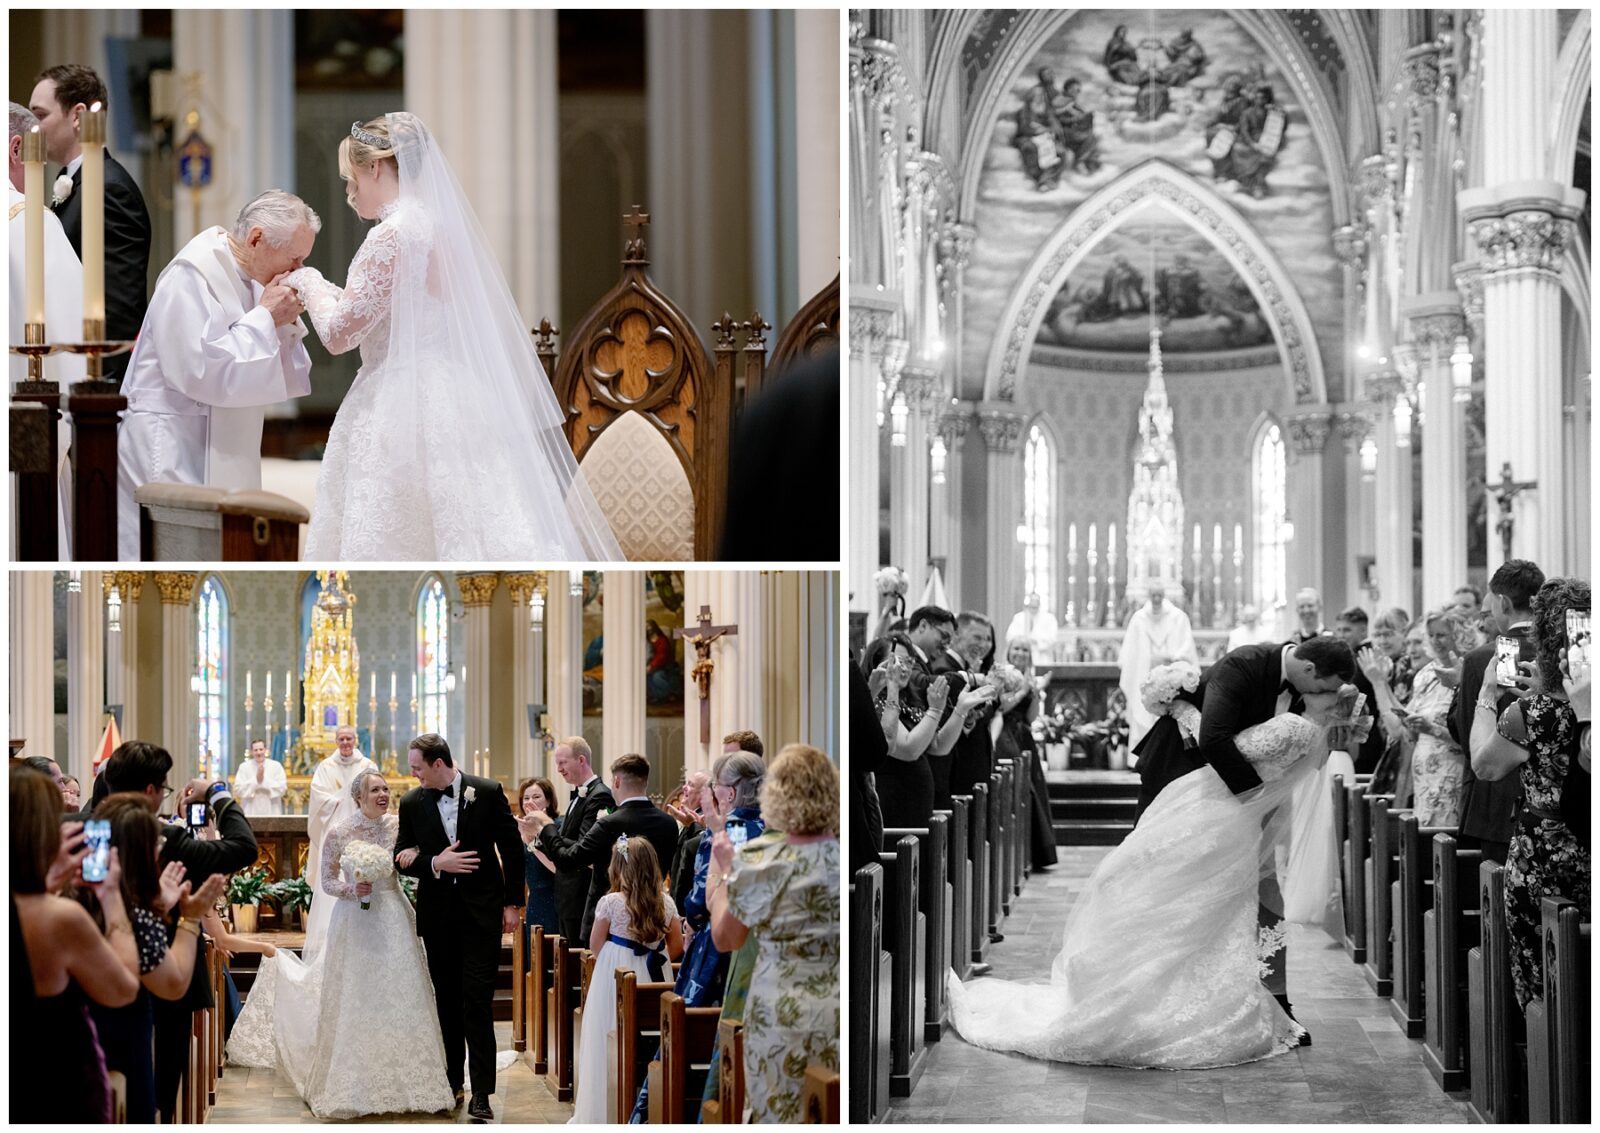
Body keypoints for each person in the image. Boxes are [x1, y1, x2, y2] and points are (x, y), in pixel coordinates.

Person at [950, 688, 1352, 1068]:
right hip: (1237, 815)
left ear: (1325, 688)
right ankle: (1205, 996)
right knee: (1208, 903)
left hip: (1224, 809)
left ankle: (1167, 998)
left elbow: (1226, 747)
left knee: (1178, 892)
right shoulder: (1317, 737)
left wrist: (1180, 707)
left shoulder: (1296, 727)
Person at [281, 112, 619, 560]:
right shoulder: (441, 229)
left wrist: (306, 281)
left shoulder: (390, 236)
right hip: (458, 396)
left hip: (397, 403)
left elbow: (340, 333)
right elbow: (391, 311)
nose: (349, 192)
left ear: (376, 167)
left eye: (352, 178)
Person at [229, 769, 456, 1118]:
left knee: (399, 990)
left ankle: (412, 1076)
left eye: (385, 789)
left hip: (393, 914)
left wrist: (414, 855)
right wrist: (353, 889)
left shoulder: (399, 826)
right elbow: (328, 882)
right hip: (354, 920)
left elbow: (414, 857)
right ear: (358, 798)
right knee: (357, 992)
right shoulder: (339, 833)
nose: (383, 794)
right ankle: (353, 1078)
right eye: (375, 790)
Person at [115, 190, 317, 560]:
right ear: (256, 238)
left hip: (219, 440)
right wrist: (267, 318)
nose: (299, 270)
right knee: (166, 557)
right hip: (173, 442)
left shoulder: (256, 279)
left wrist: (282, 324)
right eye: (294, 258)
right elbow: (197, 369)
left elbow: (284, 375)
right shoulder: (191, 274)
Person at [100, 738, 259, 1121]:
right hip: (162, 973)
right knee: (154, 1092)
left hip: (90, 977)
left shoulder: (76, 829)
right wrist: (219, 792)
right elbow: (243, 847)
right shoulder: (165, 840)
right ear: (153, 792)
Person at [1468, 577, 1590, 1009]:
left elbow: (1485, 765)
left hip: (1542, 857)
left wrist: (1488, 695)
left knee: (1543, 981)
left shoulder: (1530, 713)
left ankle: (1542, 1069)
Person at [706, 744, 840, 1122]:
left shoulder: (761, 859)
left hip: (778, 1010)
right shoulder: (842, 858)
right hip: (837, 1006)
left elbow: (726, 938)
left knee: (780, 1110)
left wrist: (726, 871)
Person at [393, 735, 522, 1121]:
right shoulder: (412, 802)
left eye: (417, 767)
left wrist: (513, 903)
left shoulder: (487, 791)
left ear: (438, 763)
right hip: (438, 918)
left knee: (477, 1002)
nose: (412, 773)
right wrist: (435, 863)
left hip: (483, 914)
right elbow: (401, 855)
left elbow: (512, 849)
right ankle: (452, 1081)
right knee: (447, 1002)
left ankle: (482, 1093)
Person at [10, 764, 141, 1123]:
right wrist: (111, 895)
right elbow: (122, 989)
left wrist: (46, 883)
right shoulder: (59, 918)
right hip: (53, 1085)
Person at [85, 793, 225, 1124]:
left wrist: (157, 905)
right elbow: (172, 982)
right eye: (154, 843)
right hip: (118, 1040)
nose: (160, 850)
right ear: (137, 852)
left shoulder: (82, 895)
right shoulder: (126, 911)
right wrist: (189, 918)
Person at [29, 64, 149, 383]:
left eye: (39, 115)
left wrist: (100, 388)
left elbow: (118, 307)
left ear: (78, 115)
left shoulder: (109, 189)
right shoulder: (74, 182)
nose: (32, 128)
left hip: (96, 381)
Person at [571, 837, 683, 1124]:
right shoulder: (667, 902)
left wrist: (616, 954)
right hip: (654, 975)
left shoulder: (610, 902)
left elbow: (595, 943)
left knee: (607, 1035)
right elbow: (677, 946)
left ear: (618, 868)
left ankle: (606, 1109)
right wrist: (653, 954)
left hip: (616, 975)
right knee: (648, 1039)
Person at [523, 753, 679, 940]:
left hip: (610, 921)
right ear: (645, 781)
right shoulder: (669, 824)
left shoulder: (609, 823)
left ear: (617, 782)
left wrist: (547, 825)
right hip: (653, 916)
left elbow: (569, 860)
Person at [1453, 560, 1544, 862]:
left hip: (1494, 804)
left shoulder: (1481, 659)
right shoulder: (1561, 653)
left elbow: (1466, 733)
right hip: (1555, 806)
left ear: (1503, 602)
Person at [303, 725, 377, 958]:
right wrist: (342, 798)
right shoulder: (325, 767)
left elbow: (377, 793)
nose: (345, 743)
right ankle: (330, 938)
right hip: (335, 832)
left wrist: (353, 799)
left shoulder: (367, 766)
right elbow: (318, 797)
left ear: (355, 740)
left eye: (349, 738)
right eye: (341, 739)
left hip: (361, 832)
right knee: (333, 879)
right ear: (336, 741)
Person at [997, 637, 1057, 870]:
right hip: (1004, 733)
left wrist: (1035, 693)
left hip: (1023, 734)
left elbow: (1031, 717)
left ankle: (1035, 852)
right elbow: (1000, 707)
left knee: (1034, 788)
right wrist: (1022, 693)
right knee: (1022, 790)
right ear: (1009, 651)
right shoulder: (1002, 673)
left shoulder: (1029, 677)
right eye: (1016, 648)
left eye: (1025, 649)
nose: (1020, 653)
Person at [1408, 610, 1471, 825]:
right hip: (1424, 772)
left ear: (1458, 635)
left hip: (1452, 769)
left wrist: (1432, 729)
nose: (1435, 641)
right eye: (1431, 635)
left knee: (1444, 839)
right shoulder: (1425, 674)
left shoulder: (1467, 670)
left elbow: (1469, 735)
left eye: (1442, 635)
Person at [1118, 584, 1199, 750]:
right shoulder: (1139, 618)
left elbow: (1187, 646)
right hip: (1145, 674)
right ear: (1148, 595)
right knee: (1142, 713)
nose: (1156, 599)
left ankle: (1171, 757)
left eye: (1159, 595)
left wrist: (1173, 658)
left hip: (1172, 676)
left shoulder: (1178, 617)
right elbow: (1130, 651)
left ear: (1164, 595)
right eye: (1153, 595)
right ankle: (1140, 757)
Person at [514, 777, 561, 935]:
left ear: (548, 801)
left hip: (556, 898)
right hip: (534, 901)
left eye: (536, 797)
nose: (529, 802)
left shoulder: (556, 827)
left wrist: (532, 842)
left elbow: (558, 866)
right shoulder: (519, 829)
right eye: (526, 798)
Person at [664, 769, 711, 909]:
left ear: (703, 794)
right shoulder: (690, 817)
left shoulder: (704, 819)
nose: (684, 787)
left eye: (690, 785)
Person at [231, 738, 287, 816]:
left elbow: (282, 788)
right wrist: (256, 780)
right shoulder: (244, 767)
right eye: (256, 750)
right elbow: (238, 789)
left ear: (265, 750)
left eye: (261, 749)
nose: (259, 752)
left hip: (272, 809)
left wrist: (263, 781)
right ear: (251, 752)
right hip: (250, 810)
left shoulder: (276, 766)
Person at [1005, 591, 1058, 662]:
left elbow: (1052, 639)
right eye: (1032, 601)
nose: (1034, 603)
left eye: (1036, 601)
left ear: (1039, 603)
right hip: (1021, 657)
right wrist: (1024, 641)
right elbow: (1010, 637)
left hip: (1042, 658)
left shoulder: (1049, 618)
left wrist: (1036, 641)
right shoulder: (1019, 617)